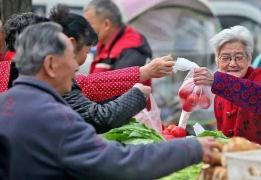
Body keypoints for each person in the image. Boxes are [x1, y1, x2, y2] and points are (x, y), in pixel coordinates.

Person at [0, 22, 219, 179]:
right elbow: (119, 163)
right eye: (70, 57)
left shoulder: (5, 103)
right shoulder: (57, 119)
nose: (77, 67)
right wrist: (193, 149)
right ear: (50, 65)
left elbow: (94, 84)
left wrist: (143, 73)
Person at [2, 12, 172, 102]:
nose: (74, 67)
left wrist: (143, 72)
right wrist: (137, 92)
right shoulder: (48, 79)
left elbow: (87, 84)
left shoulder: (17, 73)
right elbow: (96, 110)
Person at [193, 25, 261, 146]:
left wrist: (217, 81)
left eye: (239, 57)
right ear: (217, 61)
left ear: (249, 58)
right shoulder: (219, 94)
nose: (232, 63)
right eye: (225, 58)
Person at [83, 0, 152, 79]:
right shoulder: (104, 43)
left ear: (106, 24)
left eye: (89, 24)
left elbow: (125, 89)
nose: (85, 30)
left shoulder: (130, 49)